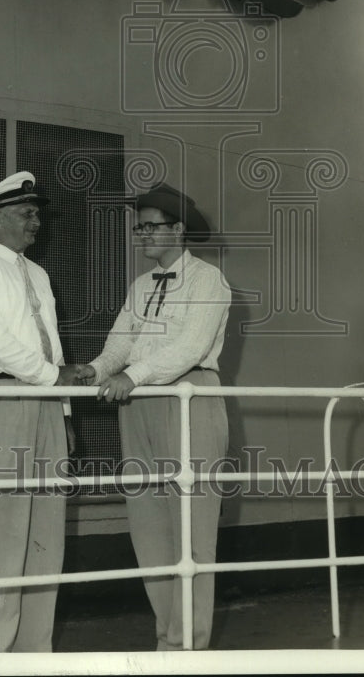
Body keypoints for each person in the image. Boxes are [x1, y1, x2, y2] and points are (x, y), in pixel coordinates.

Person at [78, 183, 231, 651]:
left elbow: (190, 347)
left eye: (151, 227)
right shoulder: (140, 286)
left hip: (188, 397)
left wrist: (133, 375)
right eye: (138, 227)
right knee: (148, 525)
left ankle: (189, 646)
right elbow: (120, 342)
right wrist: (96, 369)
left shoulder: (208, 280)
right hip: (139, 402)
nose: (141, 235)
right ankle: (168, 637)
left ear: (178, 230)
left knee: (191, 528)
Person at [0, 171, 81, 653]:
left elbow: (55, 349)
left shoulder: (38, 275)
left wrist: (63, 414)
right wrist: (53, 379)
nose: (37, 223)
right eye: (28, 214)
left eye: (37, 214)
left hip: (46, 405)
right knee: (0, 532)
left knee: (46, 534)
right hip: (3, 400)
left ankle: (33, 653)